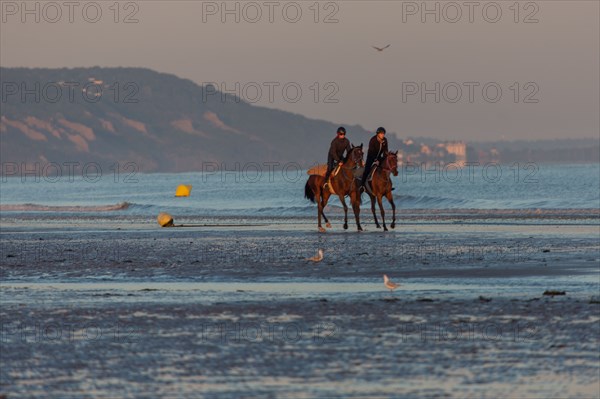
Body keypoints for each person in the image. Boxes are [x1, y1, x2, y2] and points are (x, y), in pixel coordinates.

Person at [361, 127, 389, 191]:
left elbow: (385, 151)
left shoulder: (385, 140)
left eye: (383, 134)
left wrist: (385, 158)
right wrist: (375, 160)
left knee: (386, 169)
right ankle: (362, 186)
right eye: (381, 134)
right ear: (378, 134)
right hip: (371, 157)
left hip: (379, 157)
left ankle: (387, 185)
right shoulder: (373, 140)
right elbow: (371, 151)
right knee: (367, 170)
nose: (383, 135)